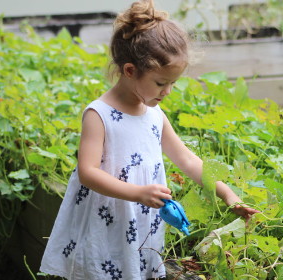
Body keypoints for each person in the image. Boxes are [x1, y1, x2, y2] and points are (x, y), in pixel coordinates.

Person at [39, 0, 259, 279]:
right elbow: (88, 172)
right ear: (130, 70)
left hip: (141, 221)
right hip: (108, 219)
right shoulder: (100, 115)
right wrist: (138, 194)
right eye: (160, 83)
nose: (167, 91)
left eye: (173, 84)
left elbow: (188, 160)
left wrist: (228, 194)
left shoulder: (155, 115)